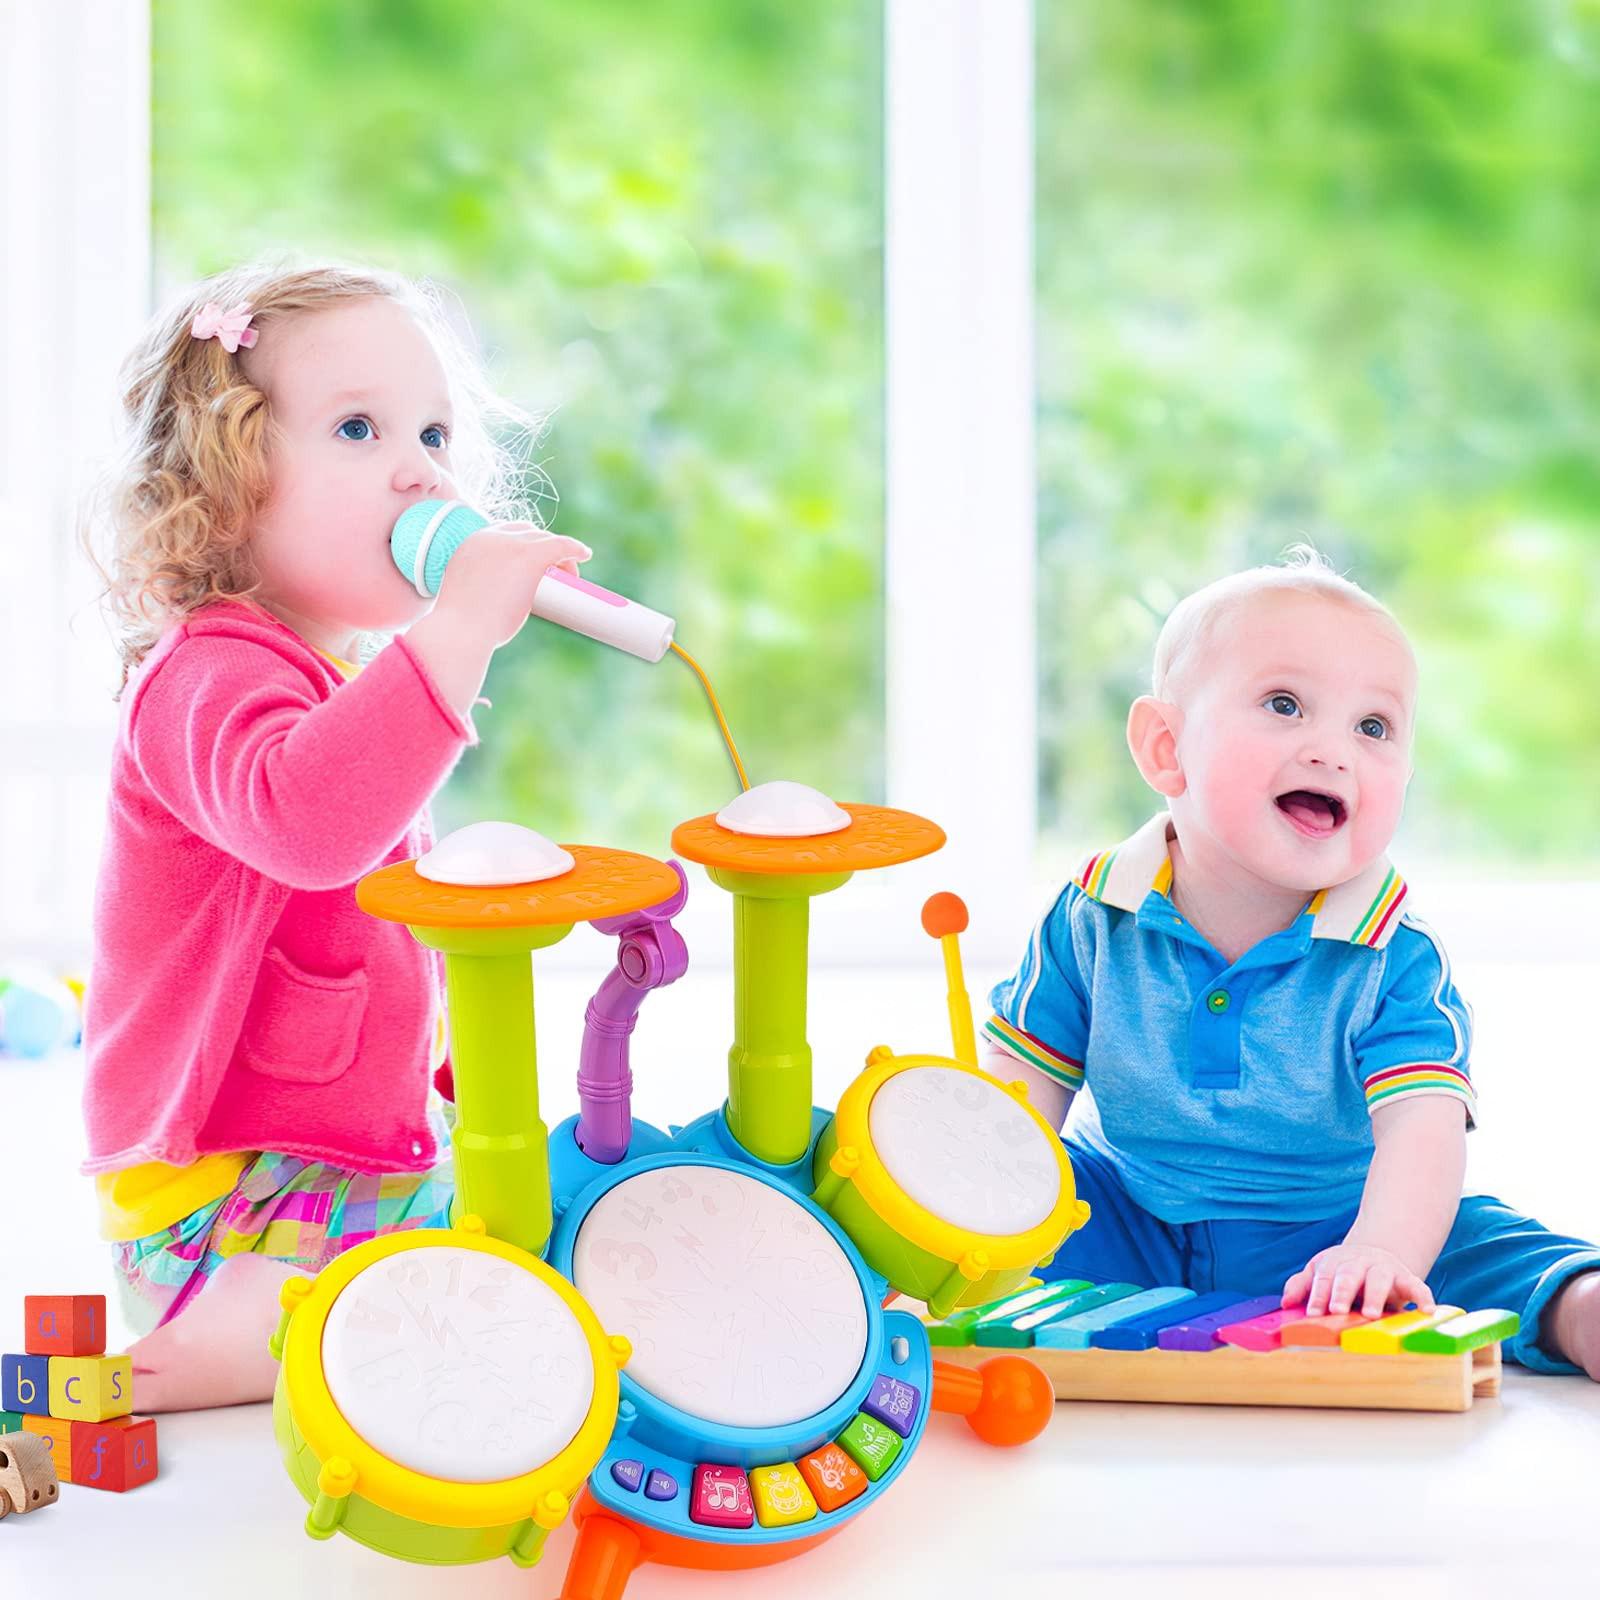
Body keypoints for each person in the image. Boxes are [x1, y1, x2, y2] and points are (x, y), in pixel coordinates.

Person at [80, 262, 591, 1410]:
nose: (418, 467)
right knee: (483, 1275)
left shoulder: (327, 675)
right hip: (222, 1200)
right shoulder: (203, 671)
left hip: (329, 1161)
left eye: (434, 432)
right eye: (358, 428)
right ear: (226, 485)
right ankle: (186, 1350)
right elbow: (312, 827)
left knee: (545, 1212)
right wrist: (461, 626)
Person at [984, 550, 1600, 1378]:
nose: (1334, 751)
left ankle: (1577, 1312)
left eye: (1373, 727)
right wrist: (975, 1202)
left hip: (1341, 1227)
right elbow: (1019, 1096)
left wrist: (1382, 1249)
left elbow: (1423, 1129)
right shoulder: (1094, 915)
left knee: (1480, 1242)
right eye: (1285, 705)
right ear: (1167, 748)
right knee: (1005, 1206)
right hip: (1134, 1208)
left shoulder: (1390, 952)